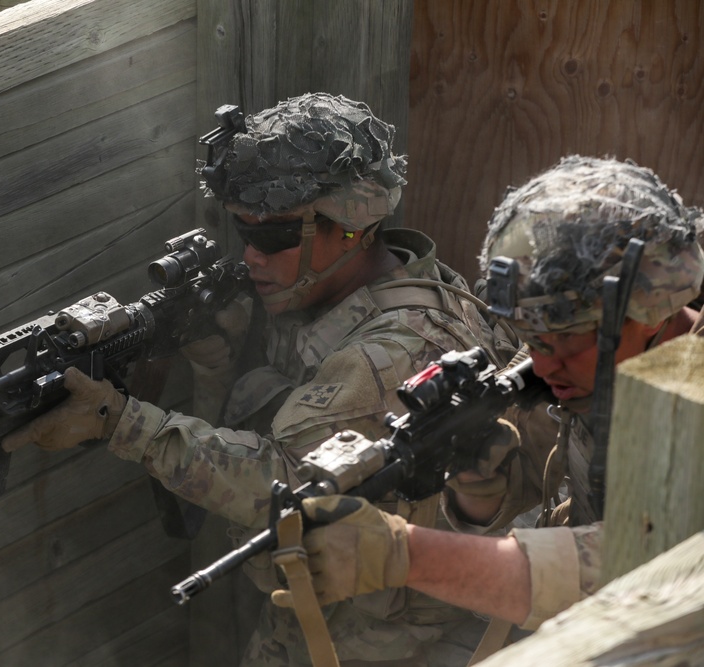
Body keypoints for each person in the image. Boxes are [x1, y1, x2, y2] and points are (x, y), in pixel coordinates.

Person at [2, 92, 519, 666]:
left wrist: (124, 424)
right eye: (242, 232)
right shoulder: (338, 291)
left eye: (273, 237)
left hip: (386, 647)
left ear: (349, 225)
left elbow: (283, 483)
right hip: (324, 616)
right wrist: (218, 361)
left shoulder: (396, 348)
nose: (250, 256)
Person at [282, 155, 704, 643]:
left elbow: (653, 570)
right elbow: (536, 469)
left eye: (561, 340)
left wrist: (406, 555)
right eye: (532, 339)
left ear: (648, 309)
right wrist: (481, 490)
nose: (543, 366)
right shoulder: (593, 367)